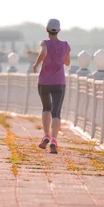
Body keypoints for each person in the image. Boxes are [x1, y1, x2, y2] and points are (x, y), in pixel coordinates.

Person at [32, 18, 71, 154]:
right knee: (56, 112)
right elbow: (67, 63)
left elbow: (43, 53)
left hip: (44, 82)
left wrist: (36, 65)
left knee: (46, 108)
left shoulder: (44, 43)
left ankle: (46, 135)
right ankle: (54, 139)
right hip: (59, 82)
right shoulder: (65, 45)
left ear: (46, 30)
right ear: (59, 30)